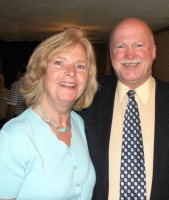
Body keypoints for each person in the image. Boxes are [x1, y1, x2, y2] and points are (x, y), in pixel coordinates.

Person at [79, 18, 169, 200]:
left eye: (138, 45)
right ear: (111, 53)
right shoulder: (85, 100)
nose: (129, 55)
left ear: (153, 52)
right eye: (120, 47)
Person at [0, 28, 97, 199]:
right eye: (59, 62)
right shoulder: (14, 136)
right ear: (40, 72)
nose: (71, 72)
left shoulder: (78, 123)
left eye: (80, 66)